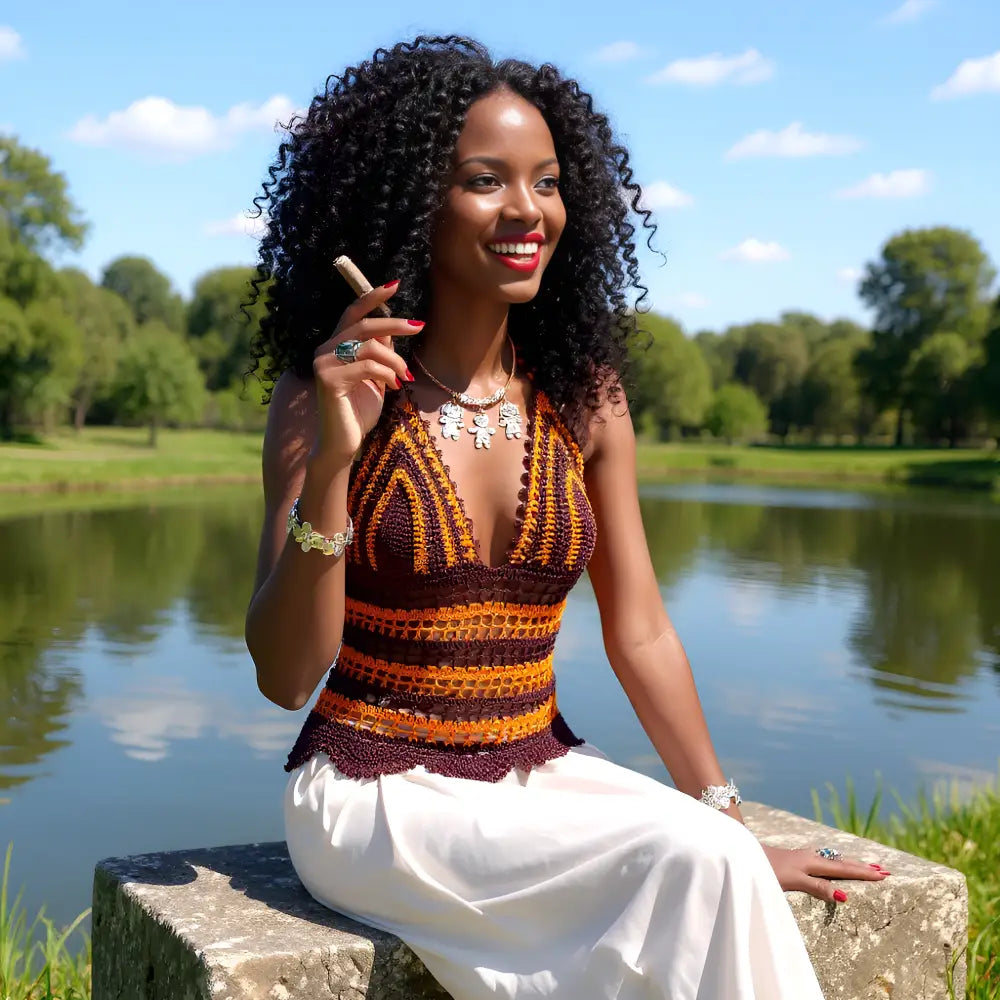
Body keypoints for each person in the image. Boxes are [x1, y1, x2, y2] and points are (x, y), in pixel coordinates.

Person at [244, 35, 887, 1000]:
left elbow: (642, 631)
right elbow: (287, 676)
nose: (526, 211)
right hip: (372, 796)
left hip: (538, 771)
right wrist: (336, 462)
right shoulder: (321, 398)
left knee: (713, 855)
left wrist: (725, 815)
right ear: (413, 201)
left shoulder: (588, 401)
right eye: (485, 180)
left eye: (546, 183)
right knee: (698, 866)